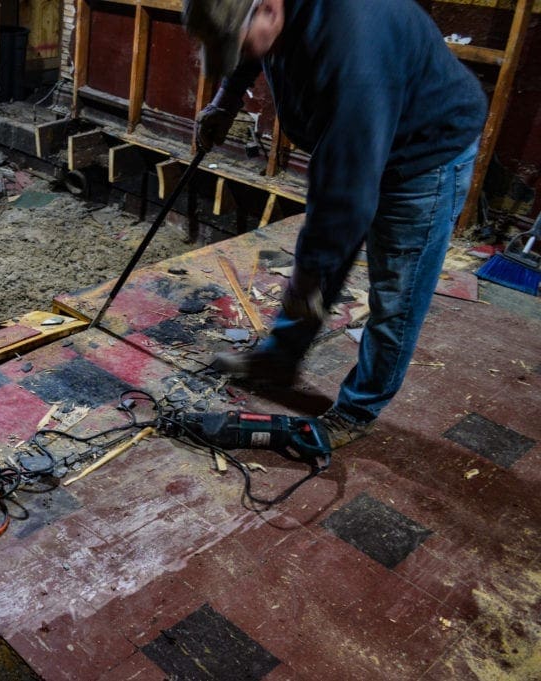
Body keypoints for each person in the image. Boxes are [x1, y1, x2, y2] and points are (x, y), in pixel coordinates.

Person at [183, 0, 487, 449]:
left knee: (395, 295)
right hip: (365, 131)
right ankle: (279, 360)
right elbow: (249, 51)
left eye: (240, 43)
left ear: (268, 9)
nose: (244, 55)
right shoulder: (270, 13)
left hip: (424, 152)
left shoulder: (354, 44)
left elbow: (346, 191)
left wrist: (308, 275)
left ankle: (357, 409)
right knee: (324, 257)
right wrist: (225, 103)